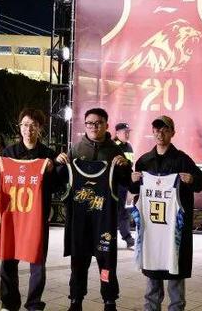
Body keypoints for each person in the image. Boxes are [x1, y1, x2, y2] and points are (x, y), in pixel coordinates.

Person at [129, 115, 202, 311]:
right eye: (157, 129)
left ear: (173, 133)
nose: (160, 133)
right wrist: (133, 181)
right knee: (152, 281)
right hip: (152, 231)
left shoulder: (182, 160)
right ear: (152, 132)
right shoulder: (144, 161)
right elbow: (135, 191)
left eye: (165, 129)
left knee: (175, 280)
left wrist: (192, 179)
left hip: (174, 231)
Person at [55, 108, 131, 311]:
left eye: (98, 123)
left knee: (106, 264)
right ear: (85, 125)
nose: (94, 127)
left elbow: (129, 183)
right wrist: (58, 165)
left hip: (104, 222)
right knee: (78, 263)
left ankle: (109, 300)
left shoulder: (115, 152)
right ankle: (76, 300)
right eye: (90, 123)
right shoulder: (75, 150)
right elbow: (58, 181)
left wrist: (125, 167)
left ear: (106, 125)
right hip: (79, 222)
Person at [0, 109, 57, 311]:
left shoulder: (48, 155)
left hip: (37, 218)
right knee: (8, 261)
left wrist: (55, 169)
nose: (29, 129)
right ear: (19, 127)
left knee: (37, 263)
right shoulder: (7, 154)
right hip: (12, 217)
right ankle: (9, 303)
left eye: (33, 125)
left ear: (40, 128)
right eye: (25, 125)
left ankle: (34, 304)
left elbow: (58, 186)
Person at [113, 122, 135, 249]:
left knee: (125, 210)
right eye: (124, 132)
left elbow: (130, 165)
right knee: (114, 212)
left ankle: (127, 237)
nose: (127, 134)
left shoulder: (129, 146)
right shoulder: (113, 146)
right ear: (117, 133)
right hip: (116, 184)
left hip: (127, 184)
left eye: (128, 132)